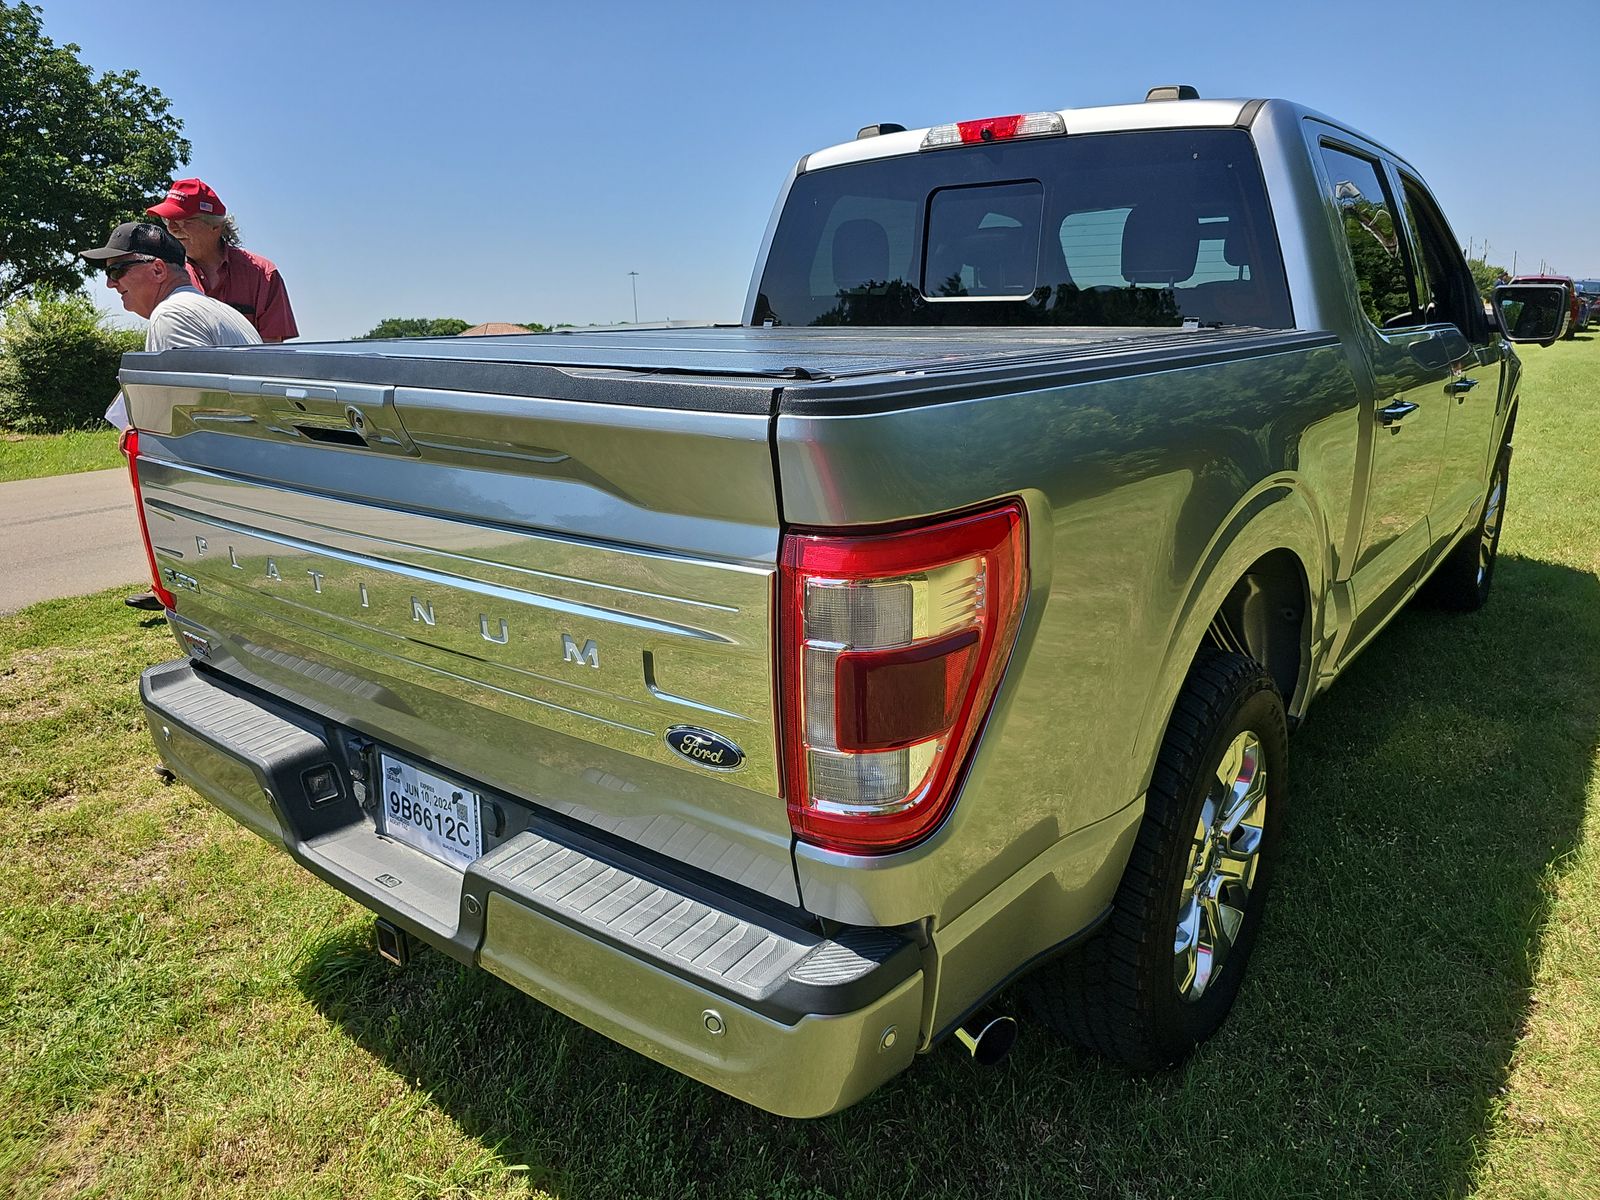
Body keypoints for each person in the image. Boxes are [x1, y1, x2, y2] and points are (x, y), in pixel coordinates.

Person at [80, 221, 261, 608]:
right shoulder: (217, 310)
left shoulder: (173, 316)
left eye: (117, 270)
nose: (111, 284)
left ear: (158, 269)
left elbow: (190, 422)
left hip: (221, 495)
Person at [146, 178, 299, 342]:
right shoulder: (164, 275)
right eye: (168, 220)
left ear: (215, 225)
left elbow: (270, 353)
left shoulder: (263, 275)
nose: (172, 228)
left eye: (182, 220)